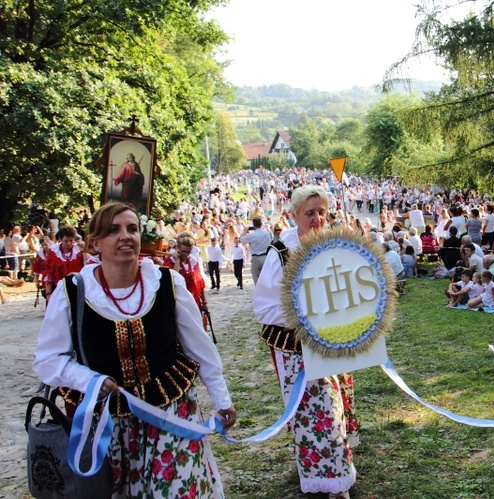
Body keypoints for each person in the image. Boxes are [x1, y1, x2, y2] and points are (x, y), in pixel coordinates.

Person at [32, 202, 236, 497]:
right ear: (95, 243)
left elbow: (199, 348)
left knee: (179, 491)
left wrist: (222, 398)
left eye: (132, 229)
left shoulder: (166, 282)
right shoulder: (73, 291)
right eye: (113, 231)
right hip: (106, 423)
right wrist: (89, 380)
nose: (125, 236)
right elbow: (47, 360)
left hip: (171, 411)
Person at [253, 185, 358, 498]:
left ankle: (337, 468)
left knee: (335, 408)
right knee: (318, 411)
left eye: (321, 212)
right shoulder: (281, 254)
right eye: (309, 213)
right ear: (294, 215)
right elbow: (265, 307)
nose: (317, 219)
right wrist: (306, 316)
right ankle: (331, 482)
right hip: (298, 348)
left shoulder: (332, 244)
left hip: (332, 342)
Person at [240, 217, 273, 287]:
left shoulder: (252, 235)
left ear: (254, 226)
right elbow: (272, 237)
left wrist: (245, 231)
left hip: (256, 257)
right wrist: (267, 229)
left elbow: (242, 240)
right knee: (267, 278)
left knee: (257, 279)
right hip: (266, 257)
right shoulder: (268, 233)